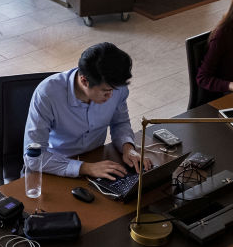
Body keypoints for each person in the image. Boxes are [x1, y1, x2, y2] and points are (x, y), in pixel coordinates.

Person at [24, 43, 151, 180]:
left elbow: (120, 123)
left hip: (95, 158)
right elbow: (34, 158)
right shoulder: (47, 94)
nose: (111, 96)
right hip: (57, 166)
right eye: (106, 91)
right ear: (84, 81)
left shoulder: (116, 87)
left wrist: (128, 148)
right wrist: (86, 168)